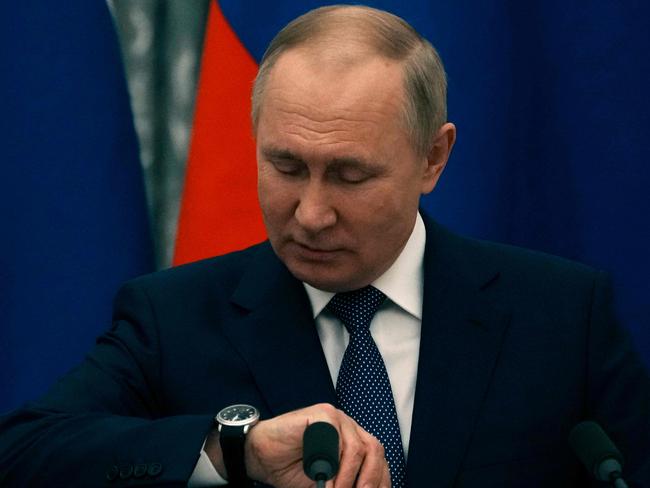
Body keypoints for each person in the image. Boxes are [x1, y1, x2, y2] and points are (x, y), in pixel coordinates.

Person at [1, 5, 649, 487]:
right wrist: (237, 450)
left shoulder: (562, 315)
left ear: (433, 157)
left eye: (349, 174)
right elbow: (25, 453)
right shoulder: (172, 318)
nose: (310, 214)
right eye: (285, 167)